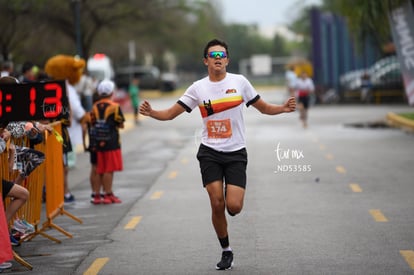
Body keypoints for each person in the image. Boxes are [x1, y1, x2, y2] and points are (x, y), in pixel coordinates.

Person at [139, 38, 296, 270]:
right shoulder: (198, 88)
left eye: (222, 55)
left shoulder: (240, 82)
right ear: (206, 61)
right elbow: (171, 114)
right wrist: (152, 112)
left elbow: (263, 108)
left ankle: (229, 200)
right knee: (216, 202)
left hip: (235, 153)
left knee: (233, 206)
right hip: (210, 152)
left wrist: (282, 108)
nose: (218, 59)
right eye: (213, 55)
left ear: (228, 60)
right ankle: (226, 250)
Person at [90, 80, 125, 204]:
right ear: (111, 92)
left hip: (98, 142)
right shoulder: (114, 106)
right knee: (109, 170)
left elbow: (92, 122)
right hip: (112, 142)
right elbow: (120, 124)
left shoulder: (94, 106)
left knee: (100, 169)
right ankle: (108, 194)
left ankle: (97, 195)